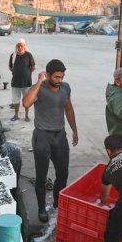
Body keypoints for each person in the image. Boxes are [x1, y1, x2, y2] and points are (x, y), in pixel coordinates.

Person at [22, 59, 79, 223]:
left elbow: (68, 108)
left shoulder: (65, 88)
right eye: (56, 77)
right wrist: (39, 82)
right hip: (42, 137)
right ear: (47, 75)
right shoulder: (39, 89)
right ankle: (41, 208)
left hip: (60, 136)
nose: (59, 80)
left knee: (63, 174)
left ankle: (57, 202)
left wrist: (74, 129)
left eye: (61, 77)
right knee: (41, 176)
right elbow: (26, 103)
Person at [8, 38, 36, 122]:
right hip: (15, 82)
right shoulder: (13, 55)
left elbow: (33, 67)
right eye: (18, 46)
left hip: (26, 83)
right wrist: (16, 72)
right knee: (16, 100)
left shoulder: (28, 55)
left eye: (21, 46)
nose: (19, 47)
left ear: (24, 46)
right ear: (16, 46)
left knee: (27, 100)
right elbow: (10, 67)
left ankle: (26, 115)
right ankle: (16, 115)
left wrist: (27, 73)